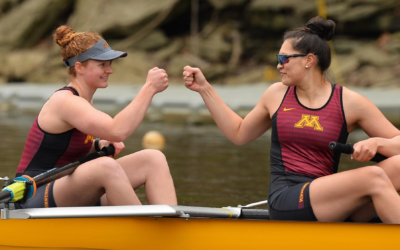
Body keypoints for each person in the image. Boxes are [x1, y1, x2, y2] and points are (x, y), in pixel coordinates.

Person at [182, 16, 400, 223]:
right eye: (279, 59)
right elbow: (239, 133)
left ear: (309, 60)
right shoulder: (276, 94)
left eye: (283, 58)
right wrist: (204, 89)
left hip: (329, 199)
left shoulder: (350, 102)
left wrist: (377, 143)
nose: (279, 65)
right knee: (374, 175)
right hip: (286, 197)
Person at [15, 25, 177, 208]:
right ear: (79, 67)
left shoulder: (84, 102)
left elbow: (65, 148)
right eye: (102, 64)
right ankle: (143, 231)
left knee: (153, 159)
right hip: (34, 194)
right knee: (106, 167)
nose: (110, 70)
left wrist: (98, 145)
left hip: (65, 188)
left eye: (110, 64)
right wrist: (149, 89)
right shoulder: (65, 101)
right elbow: (117, 131)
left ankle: (171, 227)